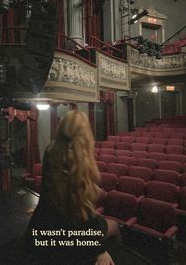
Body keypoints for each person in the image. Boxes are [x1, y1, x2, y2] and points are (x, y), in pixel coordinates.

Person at [24, 110, 120, 264]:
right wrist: (99, 249)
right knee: (114, 226)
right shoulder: (80, 160)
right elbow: (82, 214)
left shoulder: (50, 151)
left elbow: (51, 192)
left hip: (43, 226)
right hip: (70, 234)